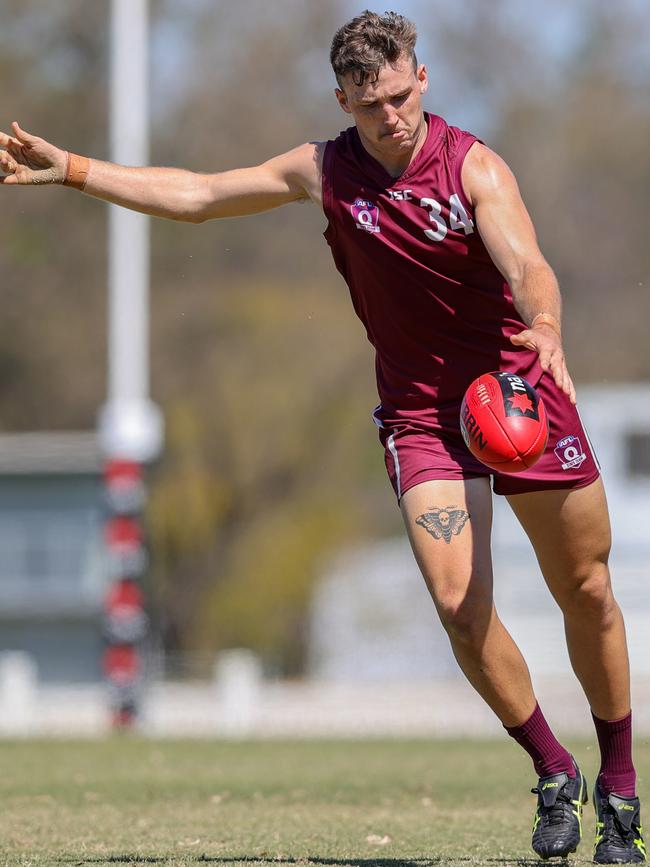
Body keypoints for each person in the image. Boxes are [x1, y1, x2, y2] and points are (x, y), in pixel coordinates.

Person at [0, 10, 644, 863]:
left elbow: (527, 264)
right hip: (421, 415)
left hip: (521, 390)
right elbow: (197, 195)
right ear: (343, 98)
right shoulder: (323, 171)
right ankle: (555, 769)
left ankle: (622, 783)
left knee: (588, 589)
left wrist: (548, 325)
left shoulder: (473, 166)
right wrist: (75, 169)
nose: (391, 116)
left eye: (400, 95)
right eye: (369, 102)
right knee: (459, 605)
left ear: (425, 79)